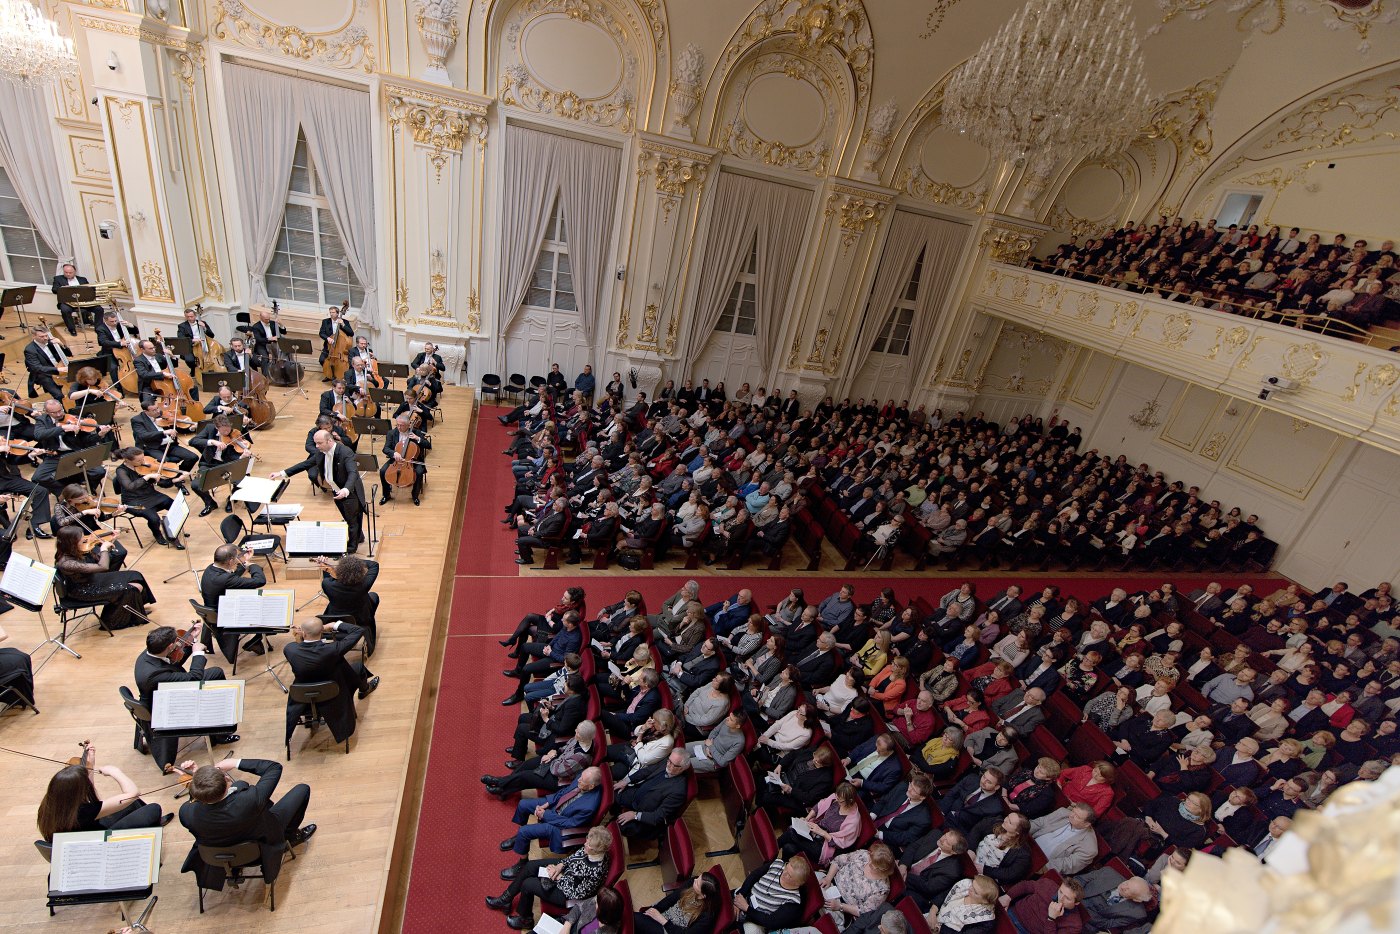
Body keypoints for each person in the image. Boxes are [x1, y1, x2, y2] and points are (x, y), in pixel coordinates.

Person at [178, 757, 315, 894]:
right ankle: (289, 837)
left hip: (218, 857)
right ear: (227, 779)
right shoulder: (250, 799)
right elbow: (274, 767)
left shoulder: (186, 813)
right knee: (302, 790)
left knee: (240, 784)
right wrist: (235, 762)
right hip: (260, 852)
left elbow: (196, 802)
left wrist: (198, 779)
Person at [135, 624, 235, 767]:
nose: (178, 644)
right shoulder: (153, 675)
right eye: (176, 642)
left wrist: (190, 639)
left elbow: (173, 661)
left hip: (163, 692)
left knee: (216, 672)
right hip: (166, 705)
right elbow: (194, 678)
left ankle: (219, 731)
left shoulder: (150, 652)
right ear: (170, 646)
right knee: (208, 678)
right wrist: (197, 653)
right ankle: (219, 732)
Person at [489, 824, 612, 930]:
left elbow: (577, 894)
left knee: (528, 884)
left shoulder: (596, 871)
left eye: (589, 844)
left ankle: (525, 920)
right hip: (565, 872)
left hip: (566, 894)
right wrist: (559, 866)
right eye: (587, 840)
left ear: (597, 850)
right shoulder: (590, 849)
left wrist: (559, 877)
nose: (585, 844)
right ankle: (506, 899)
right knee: (530, 866)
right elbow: (574, 857)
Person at [282, 616, 379, 749]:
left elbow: (299, 646)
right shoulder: (333, 649)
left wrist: (300, 635)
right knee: (357, 667)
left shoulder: (289, 649)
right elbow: (358, 630)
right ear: (321, 631)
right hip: (333, 696)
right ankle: (365, 689)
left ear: (303, 633)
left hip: (302, 696)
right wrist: (334, 625)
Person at [37, 746, 169, 841]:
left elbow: (90, 797)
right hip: (97, 842)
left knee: (135, 803)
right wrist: (114, 771)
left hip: (80, 836)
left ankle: (152, 825)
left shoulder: (50, 805)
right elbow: (133, 793)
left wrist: (91, 763)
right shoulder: (83, 811)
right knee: (153, 808)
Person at [272, 429, 367, 552]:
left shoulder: (345, 452)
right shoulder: (321, 452)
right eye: (316, 443)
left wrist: (346, 489)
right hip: (337, 490)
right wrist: (281, 473)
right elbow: (305, 464)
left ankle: (351, 548)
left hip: (350, 491)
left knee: (352, 520)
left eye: (319, 443)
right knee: (349, 517)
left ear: (329, 441)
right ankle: (359, 537)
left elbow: (353, 473)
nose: (316, 446)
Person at [53, 525, 153, 630]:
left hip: (90, 580)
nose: (84, 539)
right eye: (81, 538)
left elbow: (99, 559)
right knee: (132, 588)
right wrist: (104, 549)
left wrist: (110, 542)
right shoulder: (66, 563)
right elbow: (103, 566)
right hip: (83, 591)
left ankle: (135, 609)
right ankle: (114, 621)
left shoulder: (74, 550)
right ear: (71, 542)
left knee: (135, 575)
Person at [200, 542, 268, 663]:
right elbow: (259, 581)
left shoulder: (210, 569)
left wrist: (244, 561)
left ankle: (257, 640)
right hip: (226, 616)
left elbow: (232, 578)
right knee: (271, 611)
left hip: (215, 612)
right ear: (230, 561)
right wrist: (251, 564)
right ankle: (256, 640)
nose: (239, 559)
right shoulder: (225, 579)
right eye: (237, 557)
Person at [111, 447, 183, 548]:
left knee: (176, 506)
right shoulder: (121, 471)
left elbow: (162, 483)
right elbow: (130, 487)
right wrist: (147, 477)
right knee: (154, 518)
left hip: (151, 495)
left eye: (143, 458)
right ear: (127, 460)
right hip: (133, 501)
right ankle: (157, 534)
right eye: (139, 460)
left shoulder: (145, 466)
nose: (143, 462)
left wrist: (177, 479)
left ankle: (173, 530)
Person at [320, 553, 381, 655]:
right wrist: (353, 562)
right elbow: (374, 565)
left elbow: (329, 578)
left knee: (370, 597)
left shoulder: (327, 585)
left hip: (335, 617)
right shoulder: (363, 585)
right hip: (359, 619)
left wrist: (327, 566)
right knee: (373, 596)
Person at [634, 873, 718, 934]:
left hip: (670, 930)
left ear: (703, 895)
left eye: (697, 883)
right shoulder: (692, 883)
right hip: (663, 916)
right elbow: (671, 898)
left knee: (634, 919)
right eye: (698, 878)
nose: (694, 880)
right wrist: (655, 909)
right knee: (633, 921)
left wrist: (663, 921)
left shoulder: (707, 916)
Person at [1029, 803, 1099, 875]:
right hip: (1028, 843)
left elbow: (1067, 864)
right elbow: (1039, 823)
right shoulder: (1062, 813)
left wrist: (1040, 866)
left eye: (1077, 816)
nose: (1071, 815)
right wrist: (1023, 831)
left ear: (1086, 824)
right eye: (1073, 811)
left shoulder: (1090, 848)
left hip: (1040, 864)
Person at [1000, 876, 1085, 934]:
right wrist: (1008, 896)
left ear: (1076, 903)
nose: (1060, 898)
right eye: (1060, 892)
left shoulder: (1074, 925)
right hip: (1011, 913)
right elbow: (1026, 886)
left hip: (1024, 931)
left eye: (1067, 898)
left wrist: (1051, 919)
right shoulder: (1048, 885)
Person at [380, 414, 431, 506]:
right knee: (382, 471)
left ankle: (415, 496)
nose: (399, 427)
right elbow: (385, 448)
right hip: (396, 460)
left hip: (412, 460)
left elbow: (428, 445)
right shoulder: (391, 433)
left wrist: (417, 438)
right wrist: (394, 453)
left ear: (408, 425)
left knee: (419, 472)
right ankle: (386, 495)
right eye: (397, 425)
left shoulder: (416, 432)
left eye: (402, 425)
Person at [51, 262, 90, 335]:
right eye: (66, 272)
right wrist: (62, 288)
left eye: (70, 272)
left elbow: (89, 290)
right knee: (65, 310)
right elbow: (54, 290)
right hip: (67, 302)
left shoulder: (82, 279)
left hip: (82, 301)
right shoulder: (58, 279)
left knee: (99, 309)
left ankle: (98, 326)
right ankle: (72, 329)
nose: (68, 274)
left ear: (75, 272)